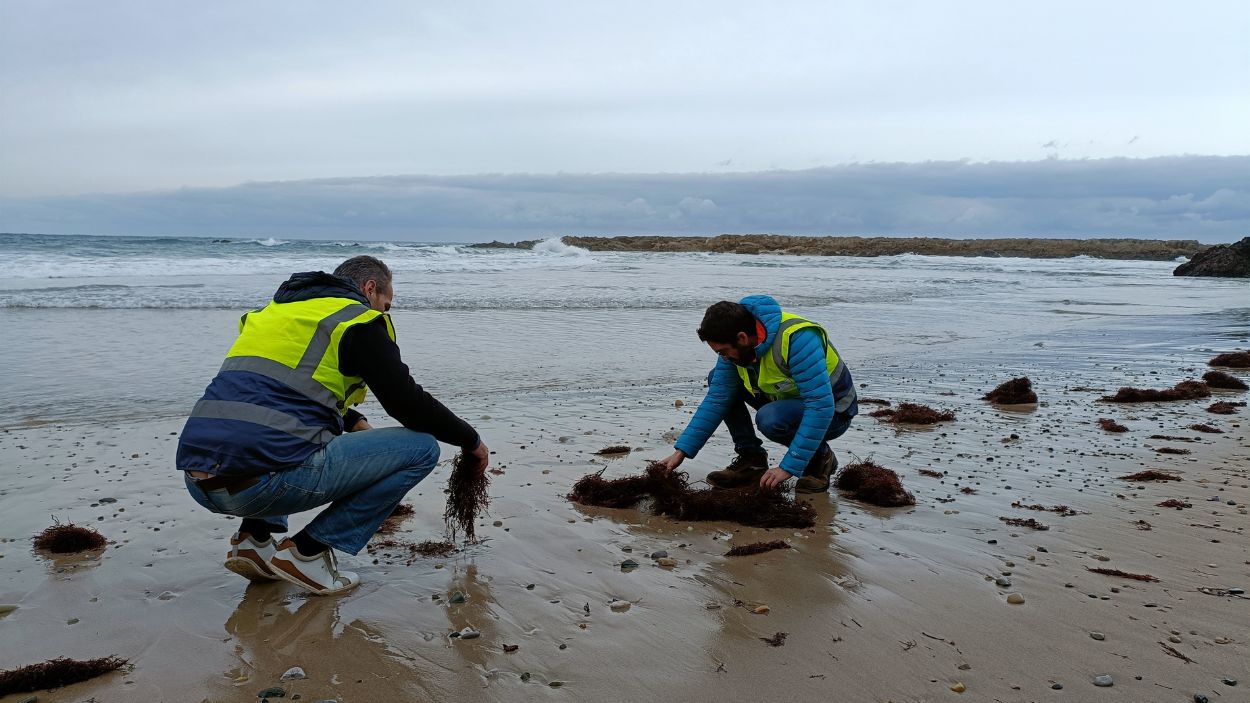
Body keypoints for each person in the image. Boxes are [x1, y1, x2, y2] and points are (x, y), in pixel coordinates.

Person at [178, 255, 488, 595]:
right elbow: (408, 405)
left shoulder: (273, 314)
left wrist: (354, 420)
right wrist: (470, 441)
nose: (384, 312)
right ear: (370, 288)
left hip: (199, 482)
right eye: (386, 304)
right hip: (261, 487)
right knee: (422, 448)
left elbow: (282, 393)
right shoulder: (358, 321)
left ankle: (255, 540)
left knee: (273, 435)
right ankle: (308, 553)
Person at [656, 295, 857, 493]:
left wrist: (788, 467)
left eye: (723, 351)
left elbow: (820, 406)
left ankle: (820, 459)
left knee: (770, 418)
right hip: (784, 402)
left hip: (834, 412)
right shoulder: (737, 343)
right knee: (716, 378)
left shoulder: (798, 338)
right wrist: (681, 452)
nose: (723, 357)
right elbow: (717, 400)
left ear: (742, 338)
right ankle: (751, 460)